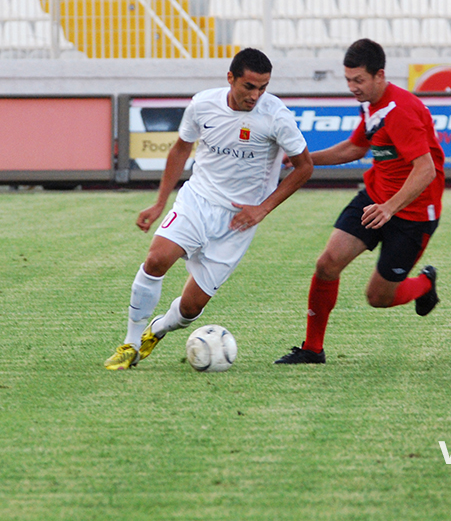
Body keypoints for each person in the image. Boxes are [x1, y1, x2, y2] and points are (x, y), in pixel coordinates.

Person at [105, 48, 314, 370]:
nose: (256, 95)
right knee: (156, 259)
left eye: (263, 87)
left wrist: (262, 209)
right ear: (230, 78)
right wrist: (160, 202)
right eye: (249, 86)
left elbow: (304, 167)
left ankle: (157, 329)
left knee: (190, 309)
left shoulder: (276, 116)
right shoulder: (203, 104)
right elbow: (180, 149)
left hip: (238, 222)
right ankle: (130, 344)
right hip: (198, 200)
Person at [275, 38, 444, 364]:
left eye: (359, 80)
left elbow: (427, 170)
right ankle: (312, 349)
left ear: (380, 75)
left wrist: (390, 207)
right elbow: (355, 148)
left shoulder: (401, 111)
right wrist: (303, 159)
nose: (352, 87)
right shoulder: (370, 104)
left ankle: (424, 284)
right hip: (375, 199)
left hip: (413, 214)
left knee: (378, 298)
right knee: (327, 263)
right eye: (348, 79)